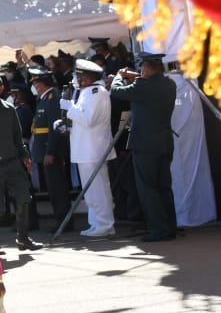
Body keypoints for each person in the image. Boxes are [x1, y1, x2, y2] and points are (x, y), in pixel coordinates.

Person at [110, 52, 178, 242]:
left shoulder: (142, 86)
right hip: (164, 142)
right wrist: (135, 76)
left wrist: (118, 76)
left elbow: (116, 91)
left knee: (148, 189)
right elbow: (148, 84)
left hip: (145, 144)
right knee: (164, 188)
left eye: (142, 68)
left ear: (146, 69)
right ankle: (169, 227)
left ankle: (158, 230)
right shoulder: (169, 84)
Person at [0, 73, 41, 250]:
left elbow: (17, 136)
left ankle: (23, 238)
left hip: (12, 162)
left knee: (24, 198)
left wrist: (25, 156)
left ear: (2, 88)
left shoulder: (9, 109)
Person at [61, 59, 116, 237]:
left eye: (79, 76)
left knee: (98, 190)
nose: (76, 79)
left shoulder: (96, 92)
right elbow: (80, 120)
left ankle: (105, 225)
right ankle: (96, 223)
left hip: (93, 149)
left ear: (87, 77)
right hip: (84, 149)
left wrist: (69, 107)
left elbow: (89, 120)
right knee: (90, 192)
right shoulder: (86, 92)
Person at [29, 70, 72, 234]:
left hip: (51, 152)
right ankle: (60, 220)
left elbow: (55, 129)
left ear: (42, 84)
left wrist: (50, 152)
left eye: (36, 83)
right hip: (44, 149)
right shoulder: (44, 99)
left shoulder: (53, 99)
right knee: (53, 188)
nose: (35, 87)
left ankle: (64, 222)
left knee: (58, 188)